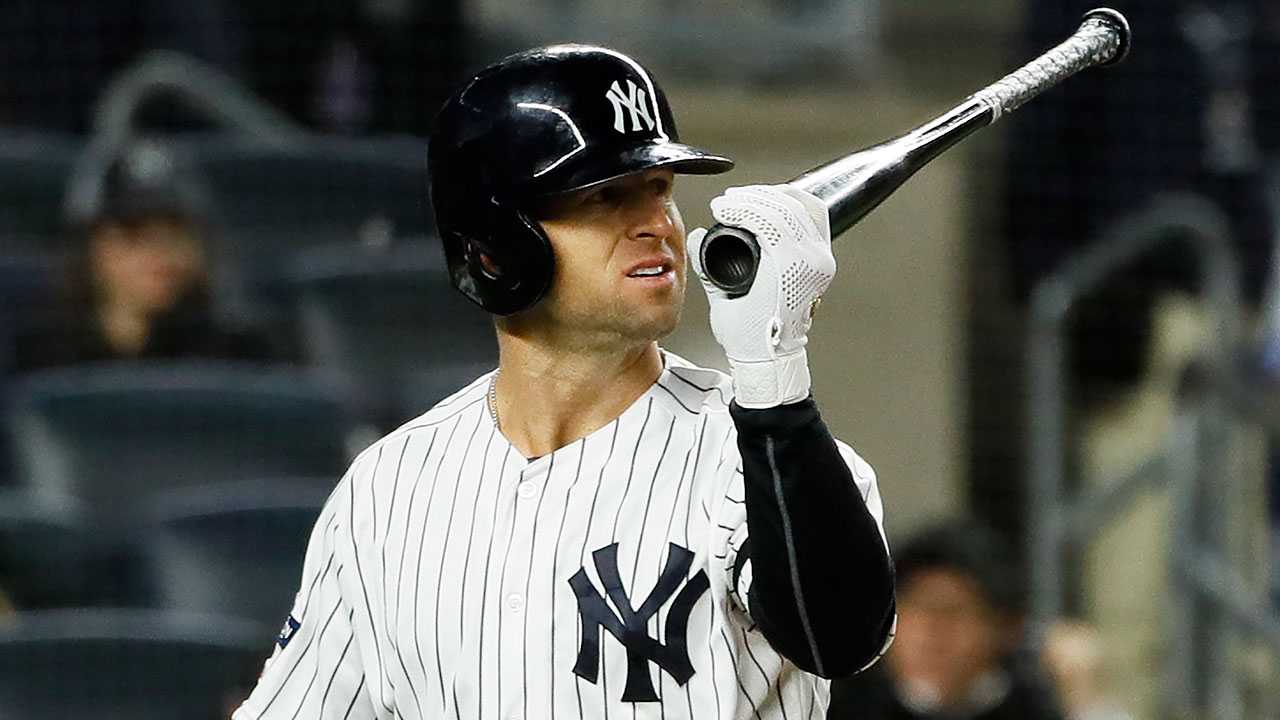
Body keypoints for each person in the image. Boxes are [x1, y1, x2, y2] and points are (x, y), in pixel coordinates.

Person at [233, 44, 896, 719]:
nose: (658, 225)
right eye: (606, 196)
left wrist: (772, 375)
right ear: (496, 244)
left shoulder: (762, 460)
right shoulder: (388, 490)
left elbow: (836, 638)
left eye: (659, 190)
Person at [13, 137, 279, 371]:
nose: (160, 253)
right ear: (91, 246)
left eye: (175, 234)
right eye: (135, 234)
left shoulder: (236, 356)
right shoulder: (36, 357)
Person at [828, 519, 1064, 720]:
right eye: (918, 606)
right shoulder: (838, 705)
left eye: (954, 610)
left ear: (1006, 627)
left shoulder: (1036, 709)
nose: (931, 629)